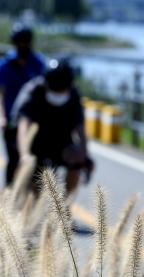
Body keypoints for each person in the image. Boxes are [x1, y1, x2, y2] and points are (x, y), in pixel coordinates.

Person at [11, 58, 93, 195]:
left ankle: (65, 207)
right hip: (35, 144)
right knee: (35, 187)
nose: (59, 93)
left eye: (63, 88)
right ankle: (30, 203)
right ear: (46, 84)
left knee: (77, 159)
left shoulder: (73, 95)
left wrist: (84, 157)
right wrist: (24, 154)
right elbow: (23, 125)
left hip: (60, 142)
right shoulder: (32, 91)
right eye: (55, 88)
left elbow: (80, 130)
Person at [0, 23, 45, 185]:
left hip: (33, 122)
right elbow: (1, 94)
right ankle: (9, 195)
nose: (22, 44)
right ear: (13, 42)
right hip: (12, 121)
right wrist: (1, 118)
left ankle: (32, 201)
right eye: (19, 41)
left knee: (37, 163)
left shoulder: (39, 63)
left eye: (25, 40)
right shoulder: (4, 64)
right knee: (14, 160)